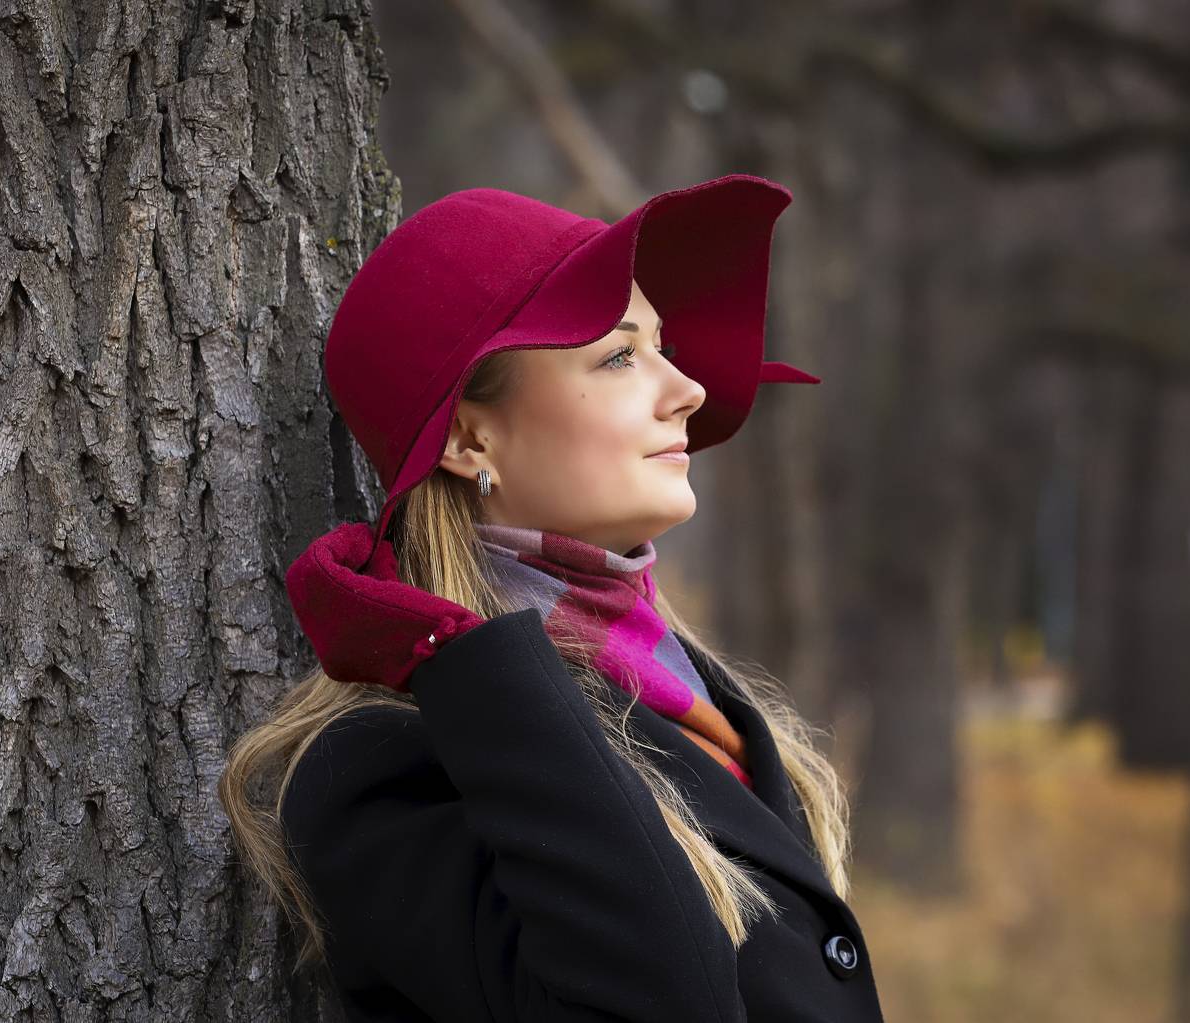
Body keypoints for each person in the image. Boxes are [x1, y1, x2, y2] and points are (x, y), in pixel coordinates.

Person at [218, 174, 886, 1022]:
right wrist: (450, 649)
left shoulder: (687, 690)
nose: (688, 389)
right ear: (470, 437)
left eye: (663, 346)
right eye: (619, 357)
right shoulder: (384, 767)